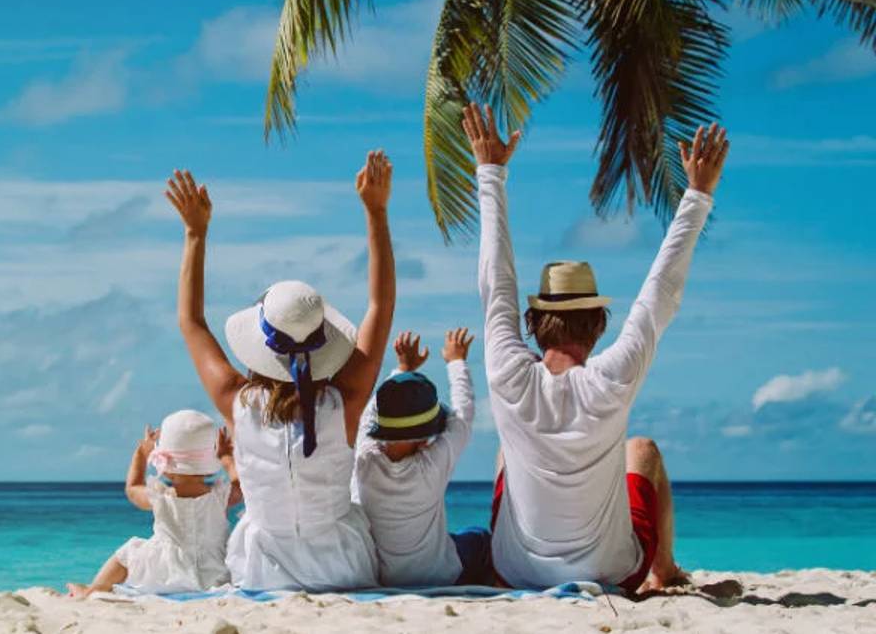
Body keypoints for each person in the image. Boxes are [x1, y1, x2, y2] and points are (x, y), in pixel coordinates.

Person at [463, 101, 728, 594]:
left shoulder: (506, 370)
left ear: (533, 324)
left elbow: (495, 282)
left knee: (507, 450)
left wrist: (491, 173)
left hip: (513, 572)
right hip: (611, 572)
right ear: (599, 324)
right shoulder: (612, 378)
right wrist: (696, 196)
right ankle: (663, 570)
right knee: (642, 450)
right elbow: (659, 297)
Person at [164, 151, 396, 591]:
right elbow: (380, 307)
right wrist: (376, 212)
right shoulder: (343, 402)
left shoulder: (238, 402)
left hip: (261, 571)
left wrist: (195, 234)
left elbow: (190, 321)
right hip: (342, 568)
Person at [352, 328, 495, 587]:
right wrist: (456, 361)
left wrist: (403, 369)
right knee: (479, 538)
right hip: (442, 575)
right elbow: (463, 414)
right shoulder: (432, 464)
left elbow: (372, 412)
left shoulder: (363, 461)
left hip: (384, 577)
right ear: (426, 436)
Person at [66, 410, 241, 597]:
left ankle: (94, 589)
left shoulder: (160, 496)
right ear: (208, 468)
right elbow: (240, 485)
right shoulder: (220, 496)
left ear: (165, 468)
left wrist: (141, 454)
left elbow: (133, 489)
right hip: (214, 571)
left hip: (167, 571)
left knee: (129, 550)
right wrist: (227, 459)